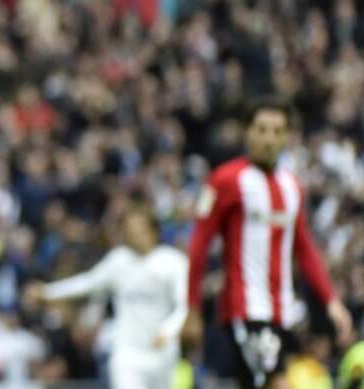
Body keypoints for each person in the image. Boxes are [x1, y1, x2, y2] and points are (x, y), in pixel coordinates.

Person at [186, 95, 354, 389]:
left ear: (286, 136)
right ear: (247, 132)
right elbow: (198, 247)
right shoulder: (225, 181)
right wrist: (192, 308)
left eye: (277, 131)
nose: (269, 139)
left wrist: (332, 300)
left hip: (283, 311)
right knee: (280, 384)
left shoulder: (292, 186)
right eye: (261, 129)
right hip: (246, 308)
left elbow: (304, 248)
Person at [29, 205, 188, 389]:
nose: (135, 235)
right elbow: (87, 282)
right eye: (130, 230)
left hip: (163, 354)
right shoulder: (119, 260)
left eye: (140, 229)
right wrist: (48, 292)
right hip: (128, 353)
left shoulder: (173, 262)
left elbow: (184, 304)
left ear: (153, 230)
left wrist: (169, 330)